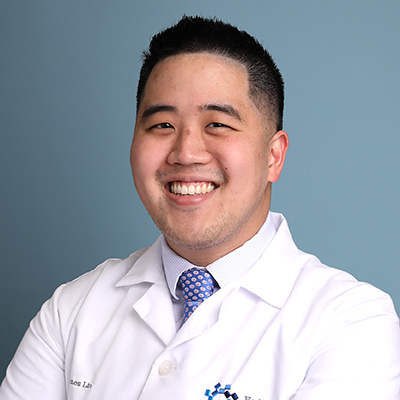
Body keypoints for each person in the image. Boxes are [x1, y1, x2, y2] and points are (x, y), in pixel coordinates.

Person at [1, 16, 399, 400]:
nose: (186, 152)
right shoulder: (71, 310)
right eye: (162, 125)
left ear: (273, 157)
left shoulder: (352, 323)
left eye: (218, 125)